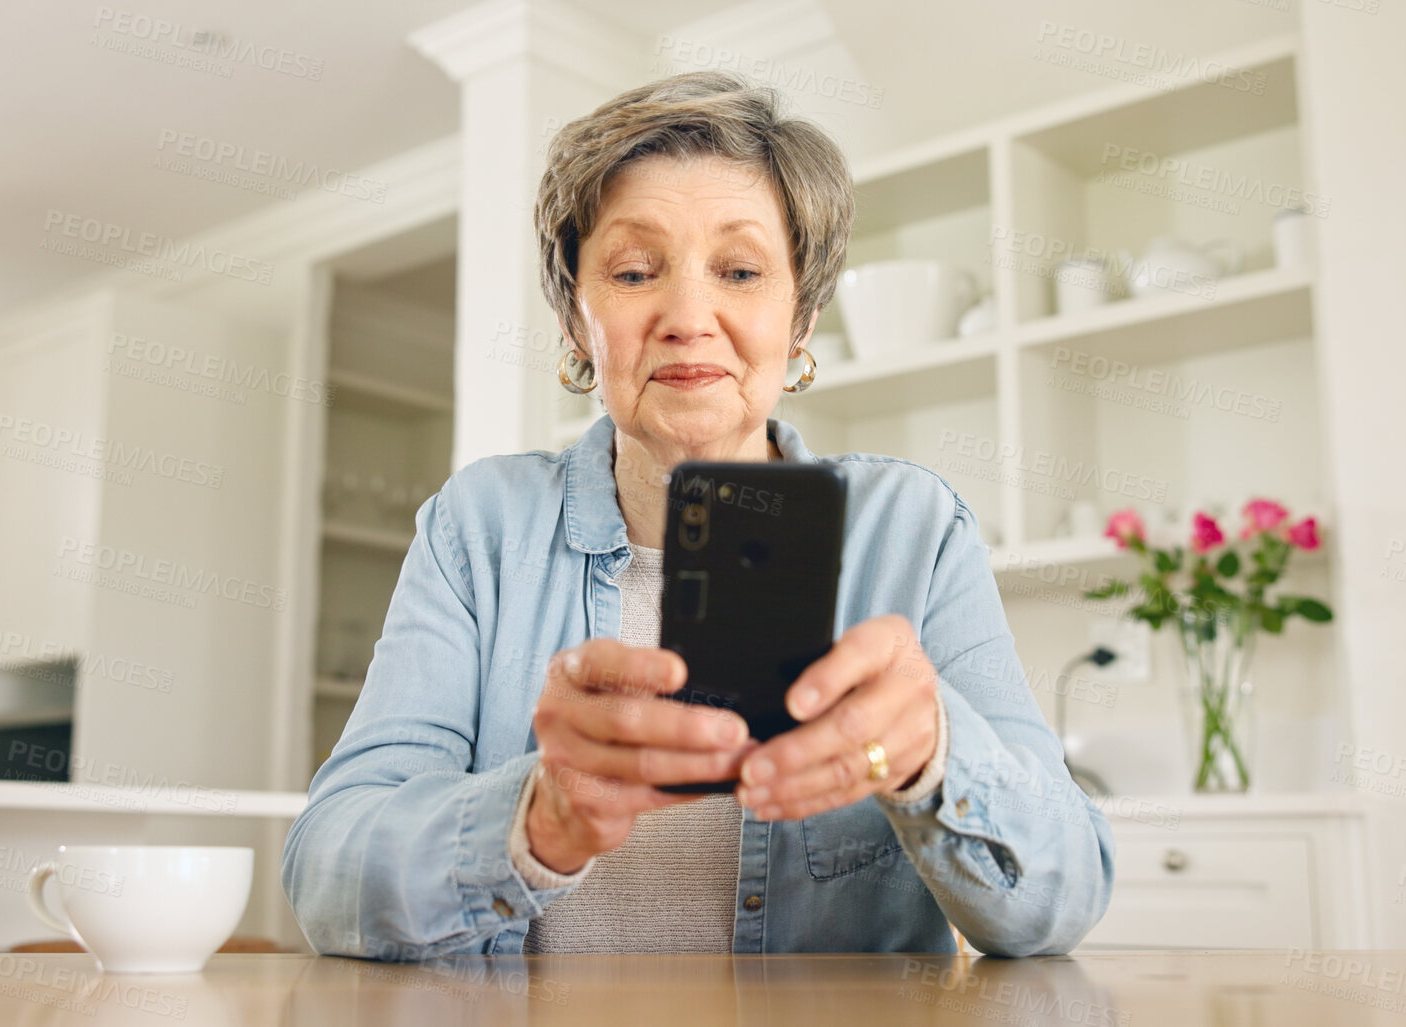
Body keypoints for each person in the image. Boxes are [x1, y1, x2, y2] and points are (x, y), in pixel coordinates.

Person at [282, 71, 1113, 959]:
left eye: (741, 270)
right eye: (635, 271)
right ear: (575, 317)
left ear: (801, 319)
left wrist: (930, 751)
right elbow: (327, 874)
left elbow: (1061, 899)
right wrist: (536, 817)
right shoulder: (477, 528)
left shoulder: (911, 529)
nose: (687, 316)